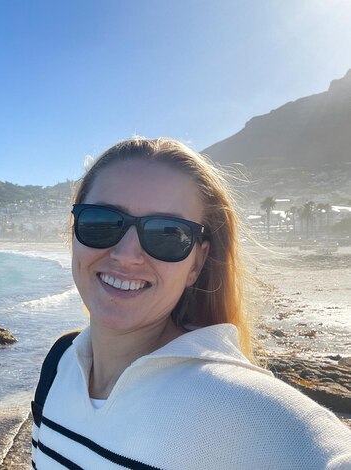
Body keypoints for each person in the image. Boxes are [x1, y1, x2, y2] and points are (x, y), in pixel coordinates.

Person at [31, 137, 351, 469]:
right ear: (74, 231)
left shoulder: (237, 406)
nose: (126, 256)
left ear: (196, 263)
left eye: (168, 233)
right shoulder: (59, 363)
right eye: (101, 222)